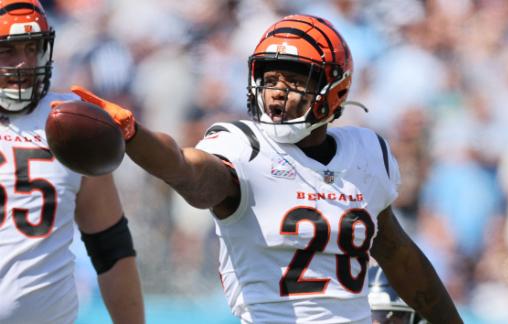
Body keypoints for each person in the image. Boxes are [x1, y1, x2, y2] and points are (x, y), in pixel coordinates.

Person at [70, 14, 462, 324]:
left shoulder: (367, 152)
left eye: (293, 80)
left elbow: (396, 252)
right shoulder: (243, 148)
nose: (275, 91)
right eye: (268, 78)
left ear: (334, 90)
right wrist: (134, 134)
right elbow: (185, 170)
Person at [0, 1, 145, 323]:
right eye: (7, 51)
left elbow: (111, 246)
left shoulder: (70, 120)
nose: (23, 63)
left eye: (32, 48)